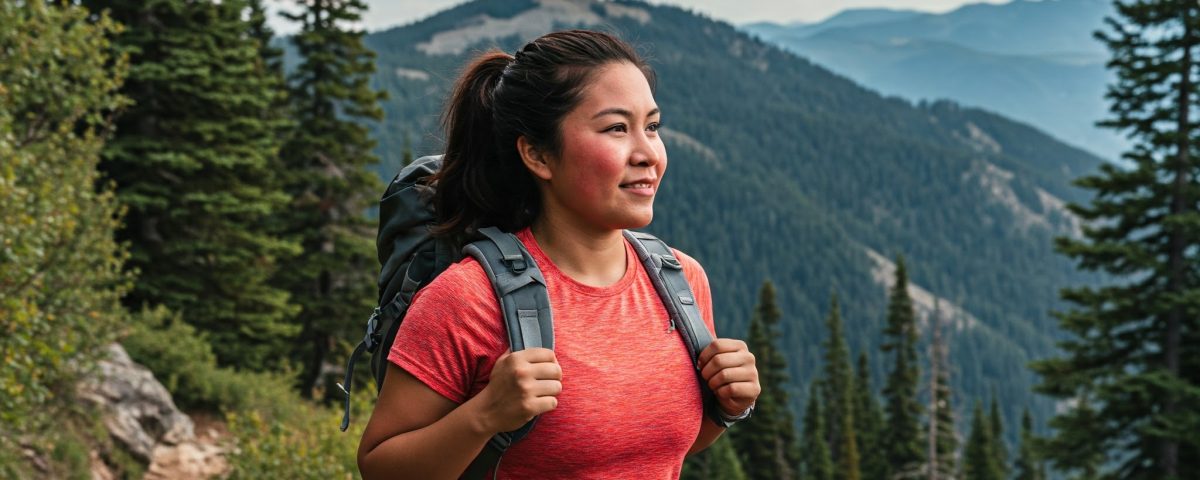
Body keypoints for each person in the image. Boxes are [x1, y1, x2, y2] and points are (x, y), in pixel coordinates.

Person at [357, 29, 761, 479]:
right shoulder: (469, 299)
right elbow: (379, 468)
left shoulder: (680, 281)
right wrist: (484, 415)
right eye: (616, 129)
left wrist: (726, 408)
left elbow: (654, 445)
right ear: (537, 155)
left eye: (651, 126)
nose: (648, 153)